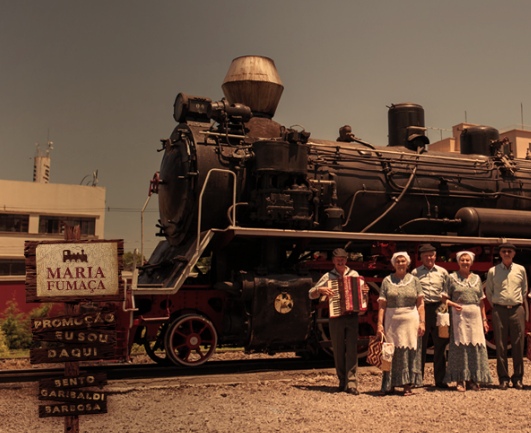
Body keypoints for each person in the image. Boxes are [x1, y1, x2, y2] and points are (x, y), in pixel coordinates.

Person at [309, 248, 368, 395]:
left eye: (342, 259)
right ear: (333, 261)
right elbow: (311, 294)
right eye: (337, 259)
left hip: (352, 315)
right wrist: (321, 290)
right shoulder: (328, 276)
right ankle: (342, 381)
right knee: (338, 349)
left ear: (346, 260)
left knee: (352, 349)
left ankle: (352, 382)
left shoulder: (354, 275)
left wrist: (364, 292)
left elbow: (362, 293)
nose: (340, 261)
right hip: (336, 316)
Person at [443, 251, 492, 391]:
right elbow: (444, 299)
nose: (465, 262)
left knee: (475, 347)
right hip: (459, 317)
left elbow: (481, 302)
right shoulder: (451, 278)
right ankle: (460, 379)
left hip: (475, 317)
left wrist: (484, 320)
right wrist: (453, 304)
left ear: (471, 262)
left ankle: (473, 379)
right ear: (458, 262)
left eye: (467, 260)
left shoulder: (476, 278)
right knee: (460, 348)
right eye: (462, 260)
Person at [377, 252, 425, 396]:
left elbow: (421, 303)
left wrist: (422, 322)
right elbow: (382, 305)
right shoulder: (387, 281)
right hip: (392, 319)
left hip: (411, 319)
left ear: (407, 263)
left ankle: (407, 385)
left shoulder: (415, 280)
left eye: (403, 261)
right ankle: (389, 384)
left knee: (409, 351)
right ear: (393, 263)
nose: (400, 263)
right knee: (391, 351)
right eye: (397, 261)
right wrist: (380, 324)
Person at [485, 243, 528, 390]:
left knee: (518, 344)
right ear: (500, 254)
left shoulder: (521, 270)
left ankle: (518, 378)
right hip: (499, 310)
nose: (507, 253)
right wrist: (497, 305)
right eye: (504, 251)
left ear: (514, 254)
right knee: (501, 345)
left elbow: (524, 289)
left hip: (517, 309)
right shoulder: (493, 271)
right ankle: (503, 378)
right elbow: (489, 292)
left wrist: (515, 302)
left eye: (510, 251)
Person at [411, 243, 449, 388]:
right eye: (426, 255)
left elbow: (446, 291)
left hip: (439, 307)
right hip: (423, 308)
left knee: (441, 344)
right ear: (421, 257)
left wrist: (444, 311)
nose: (429, 258)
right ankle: (417, 379)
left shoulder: (443, 272)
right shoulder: (415, 273)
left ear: (435, 256)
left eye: (432, 255)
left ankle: (440, 379)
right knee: (420, 344)